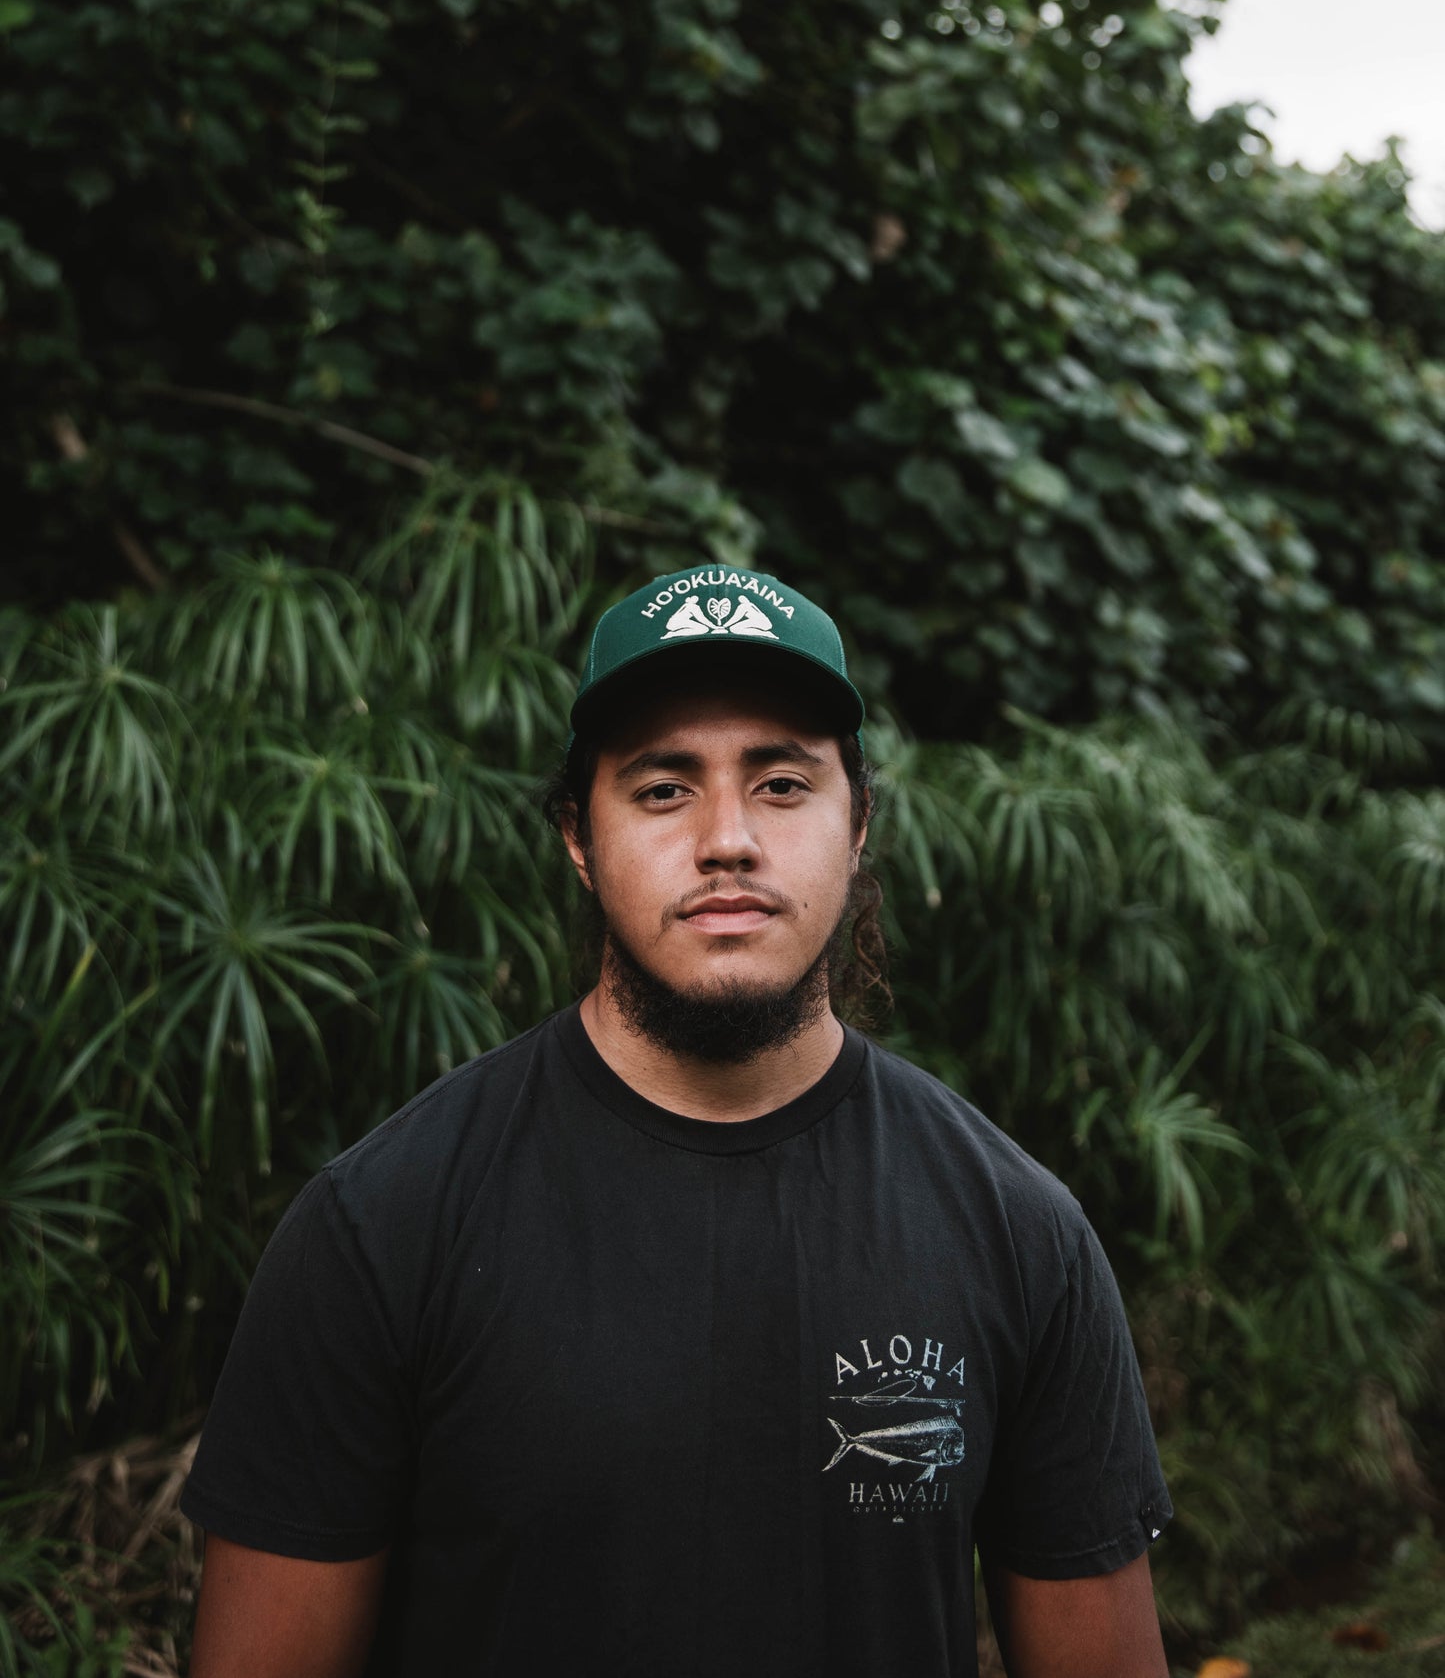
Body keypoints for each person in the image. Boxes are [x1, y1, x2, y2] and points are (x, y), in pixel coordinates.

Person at [182, 564, 1173, 1678]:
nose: (726, 838)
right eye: (662, 788)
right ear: (577, 835)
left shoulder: (1019, 1233)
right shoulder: (381, 1226)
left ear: (857, 825)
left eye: (782, 783)